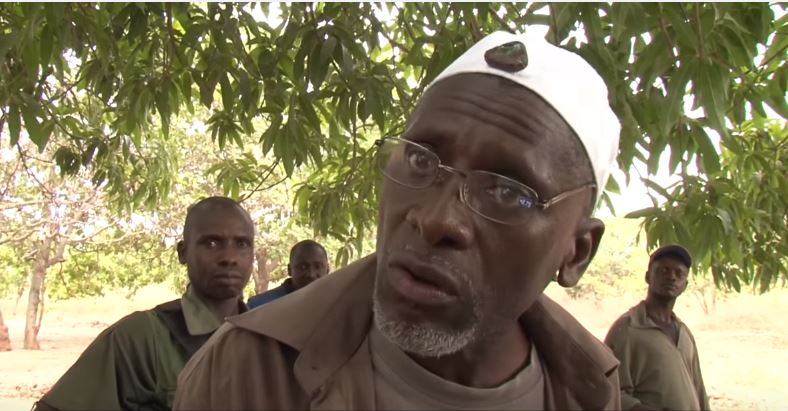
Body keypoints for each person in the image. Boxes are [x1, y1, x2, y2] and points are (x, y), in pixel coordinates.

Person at [174, 31, 622, 410]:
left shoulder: (593, 389)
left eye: (507, 191)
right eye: (420, 160)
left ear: (577, 252)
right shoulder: (243, 372)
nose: (435, 219)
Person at [34, 196, 254, 411]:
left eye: (242, 244)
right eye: (212, 243)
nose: (229, 257)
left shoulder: (263, 336)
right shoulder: (140, 337)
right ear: (183, 253)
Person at [604, 244, 710, 410]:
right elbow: (610, 392)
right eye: (664, 270)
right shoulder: (627, 329)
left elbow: (699, 389)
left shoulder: (684, 332)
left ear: (685, 285)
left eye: (679, 273)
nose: (671, 277)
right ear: (648, 277)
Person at [247, 240, 329, 309]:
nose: (311, 274)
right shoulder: (259, 306)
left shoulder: (335, 305)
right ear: (289, 270)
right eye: (303, 267)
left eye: (318, 266)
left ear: (327, 270)